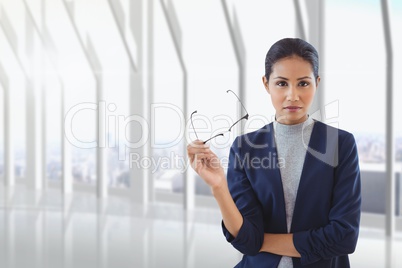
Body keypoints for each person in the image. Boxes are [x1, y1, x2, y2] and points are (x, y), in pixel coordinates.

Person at [187, 38, 361, 268]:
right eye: (281, 83)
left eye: (303, 83)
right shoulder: (245, 148)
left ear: (317, 83)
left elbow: (344, 236)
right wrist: (219, 186)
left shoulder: (340, 144)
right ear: (266, 84)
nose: (292, 95)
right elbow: (247, 239)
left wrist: (262, 241)